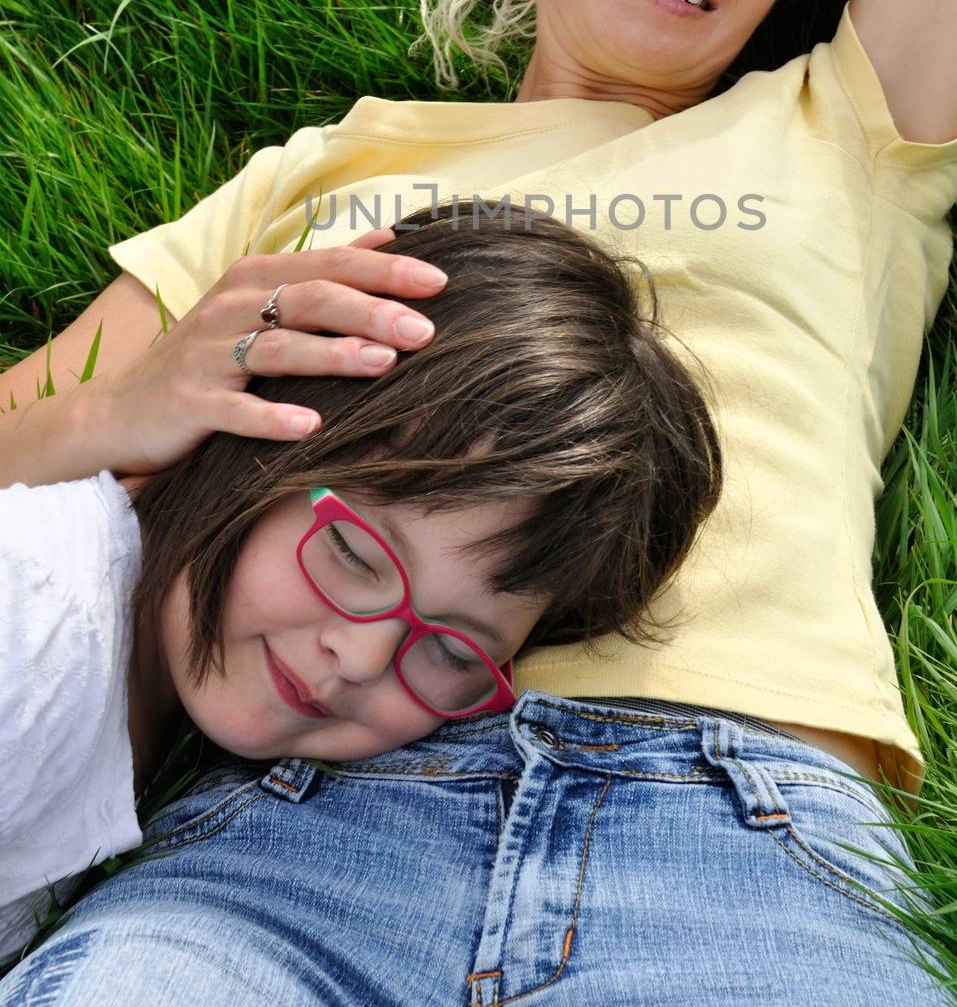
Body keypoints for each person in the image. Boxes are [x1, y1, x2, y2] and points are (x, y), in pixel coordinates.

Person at [1, 0, 957, 1004]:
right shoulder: (325, 170)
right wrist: (111, 413)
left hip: (739, 834)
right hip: (297, 834)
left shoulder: (843, 128)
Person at [0, 205, 721, 964]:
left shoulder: (101, 682)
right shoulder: (36, 630)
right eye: (352, 552)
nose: (363, 656)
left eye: (453, 652)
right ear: (244, 430)